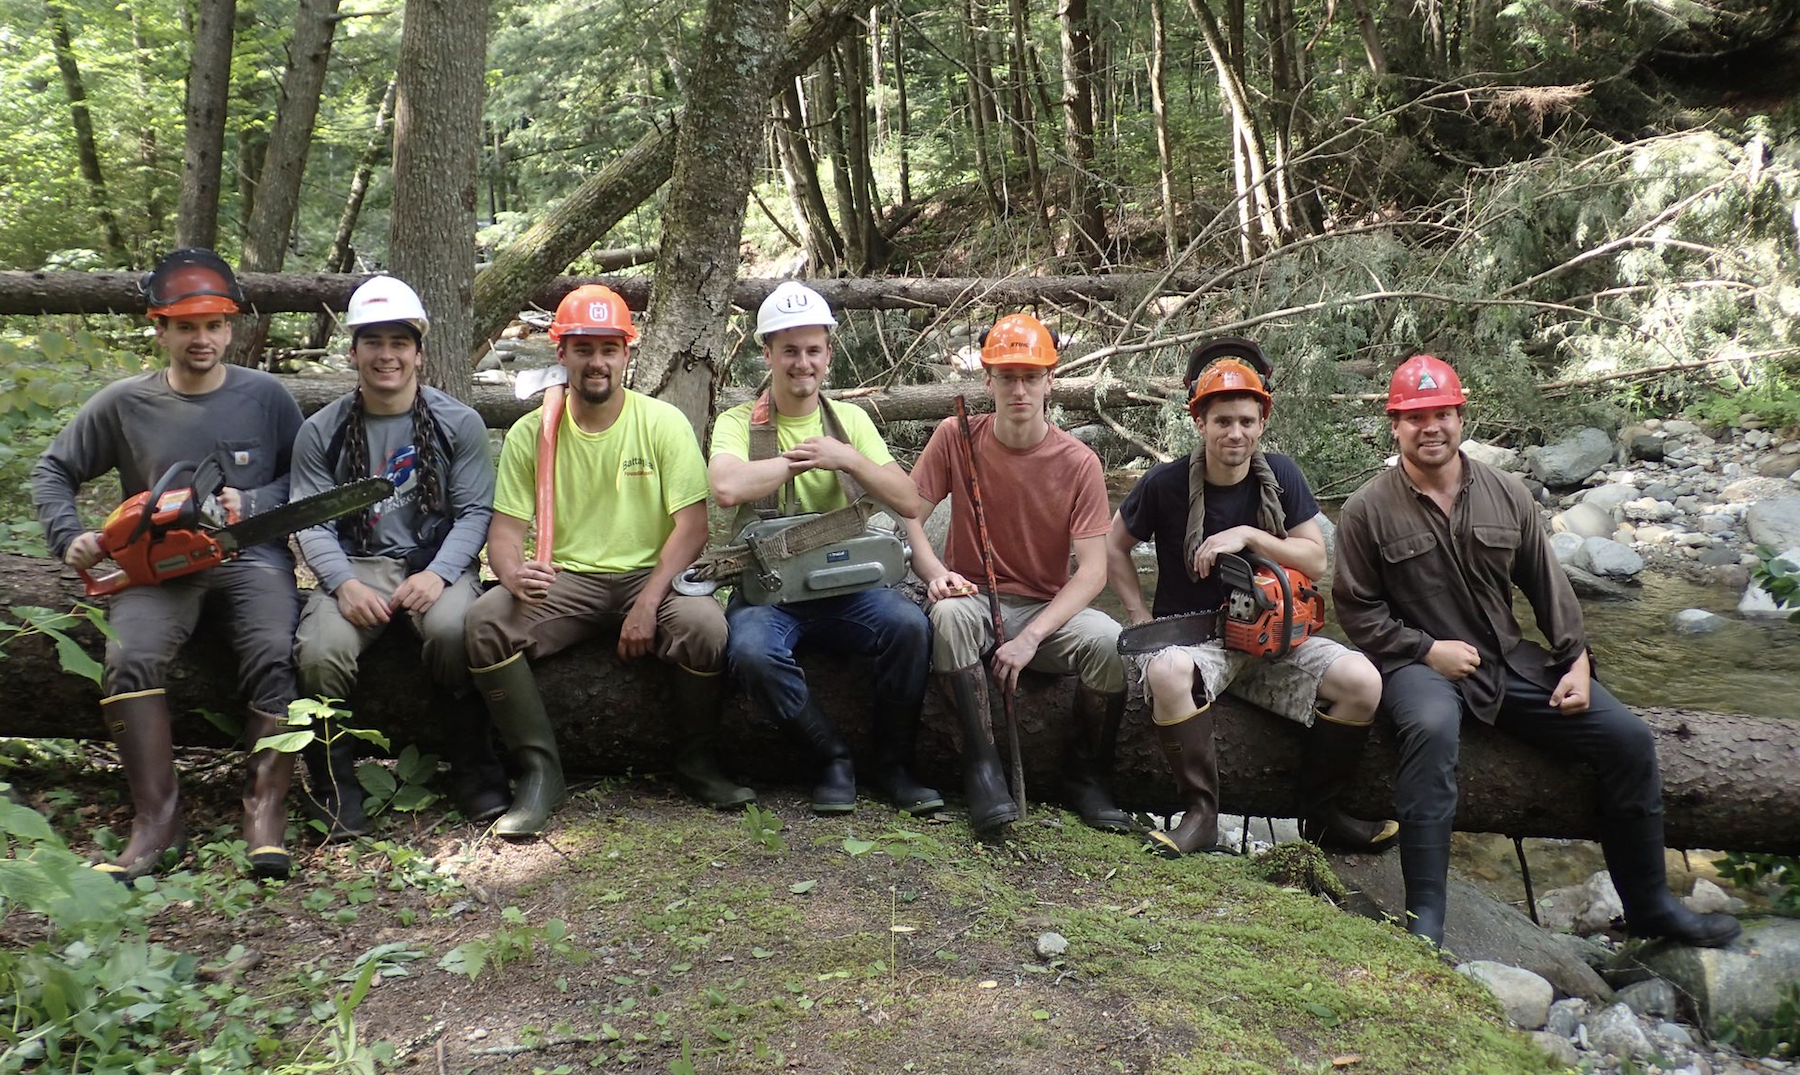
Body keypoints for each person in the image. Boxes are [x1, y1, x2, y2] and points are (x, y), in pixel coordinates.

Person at [1333, 353, 1741, 947]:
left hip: (1506, 661)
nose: (1431, 428)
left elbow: (1548, 587)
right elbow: (1358, 610)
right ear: (1395, 426)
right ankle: (1425, 920)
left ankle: (1651, 908)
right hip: (1417, 666)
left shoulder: (1508, 494)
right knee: (1431, 728)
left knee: (1628, 740)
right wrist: (1425, 650)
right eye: (1415, 417)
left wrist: (1576, 658)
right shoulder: (1366, 509)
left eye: (1442, 414)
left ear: (1460, 418)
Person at [31, 248, 304, 880]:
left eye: (213, 325)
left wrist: (254, 503)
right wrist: (69, 535)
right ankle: (158, 821)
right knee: (128, 657)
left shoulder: (266, 396)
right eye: (186, 327)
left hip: (249, 555)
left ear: (230, 329)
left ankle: (265, 811)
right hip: (157, 564)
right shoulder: (125, 403)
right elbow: (53, 470)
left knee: (275, 649)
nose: (201, 339)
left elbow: (306, 477)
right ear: (160, 330)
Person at [463, 284, 738, 836]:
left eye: (609, 349)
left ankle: (696, 761)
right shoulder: (532, 433)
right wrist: (513, 573)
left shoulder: (660, 422)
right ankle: (541, 773)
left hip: (651, 574)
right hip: (567, 578)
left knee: (706, 627)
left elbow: (692, 528)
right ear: (561, 352)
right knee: (485, 623)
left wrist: (648, 603)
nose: (597, 362)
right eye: (583, 348)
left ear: (626, 354)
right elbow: (505, 533)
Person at [1105, 338, 1396, 857]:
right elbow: (1114, 545)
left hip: (1274, 639)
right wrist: (1138, 614)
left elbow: (1315, 559)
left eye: (1245, 420)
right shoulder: (1165, 484)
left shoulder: (1282, 476)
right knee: (1167, 671)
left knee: (1362, 680)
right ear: (1200, 423)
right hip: (1195, 641)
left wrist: (1249, 536)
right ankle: (1200, 814)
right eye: (1222, 421)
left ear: (1262, 422)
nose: (1234, 433)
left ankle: (1323, 814)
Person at [710, 281, 939, 816]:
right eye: (789, 350)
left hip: (849, 588)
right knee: (750, 651)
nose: (802, 363)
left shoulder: (851, 422)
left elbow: (908, 499)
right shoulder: (738, 423)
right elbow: (726, 487)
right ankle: (831, 759)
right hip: (770, 594)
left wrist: (848, 459)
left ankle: (894, 765)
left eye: (813, 350)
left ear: (828, 355)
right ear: (767, 354)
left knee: (909, 627)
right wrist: (795, 461)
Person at [289, 276, 505, 838]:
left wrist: (439, 574)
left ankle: (475, 768)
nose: (387, 355)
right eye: (373, 342)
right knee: (320, 652)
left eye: (399, 342)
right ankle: (335, 786)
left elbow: (474, 512)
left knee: (456, 631)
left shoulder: (458, 424)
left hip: (434, 560)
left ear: (418, 353)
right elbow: (312, 521)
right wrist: (342, 584)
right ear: (353, 351)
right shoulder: (322, 431)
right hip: (355, 564)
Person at [903, 314, 1129, 833]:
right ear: (988, 381)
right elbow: (909, 512)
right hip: (971, 597)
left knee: (1109, 642)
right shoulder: (956, 436)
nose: (1019, 390)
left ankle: (1087, 777)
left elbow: (1093, 571)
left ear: (1051, 380)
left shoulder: (1080, 463)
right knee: (949, 618)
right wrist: (934, 570)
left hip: (1043, 609)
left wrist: (1031, 638)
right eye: (1007, 377)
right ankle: (982, 770)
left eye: (1030, 377)